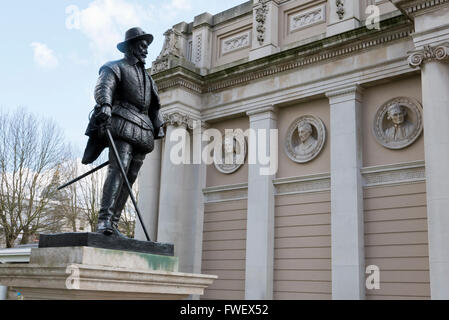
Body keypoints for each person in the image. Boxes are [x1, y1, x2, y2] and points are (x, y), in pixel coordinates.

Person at [81, 27, 164, 237]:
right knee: (119, 168)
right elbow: (104, 87)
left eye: (147, 47)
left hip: (143, 127)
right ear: (130, 47)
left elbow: (154, 105)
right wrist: (105, 105)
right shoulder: (114, 67)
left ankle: (114, 222)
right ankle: (104, 220)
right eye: (142, 46)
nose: (145, 50)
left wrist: (158, 125)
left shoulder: (149, 78)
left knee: (132, 175)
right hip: (122, 120)